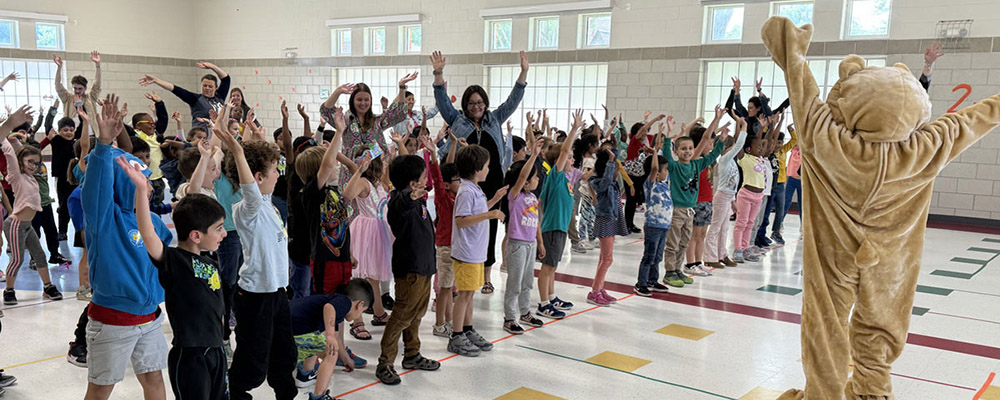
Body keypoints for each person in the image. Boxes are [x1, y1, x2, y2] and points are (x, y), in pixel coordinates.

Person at [82, 94, 172, 400]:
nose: (148, 185)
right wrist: (103, 145)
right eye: (139, 179)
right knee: (101, 389)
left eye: (146, 178)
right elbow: (96, 187)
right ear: (125, 184)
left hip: (150, 318)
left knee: (155, 381)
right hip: (112, 322)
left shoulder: (155, 225)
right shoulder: (105, 220)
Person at [213, 106, 296, 400]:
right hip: (255, 296)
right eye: (275, 171)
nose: (279, 174)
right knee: (253, 359)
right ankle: (235, 393)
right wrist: (236, 149)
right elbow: (249, 186)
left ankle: (286, 394)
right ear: (259, 177)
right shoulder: (248, 208)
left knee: (284, 353)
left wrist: (258, 140)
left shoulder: (268, 201)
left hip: (277, 293)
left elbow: (258, 173)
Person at [124, 166, 229, 400]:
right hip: (191, 356)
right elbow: (148, 232)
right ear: (196, 235)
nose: (224, 234)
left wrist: (204, 159)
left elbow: (194, 195)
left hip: (216, 351)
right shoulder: (174, 261)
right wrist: (142, 190)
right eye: (219, 229)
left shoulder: (209, 261)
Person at [431, 50, 528, 295]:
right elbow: (442, 101)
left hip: (492, 180)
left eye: (480, 102)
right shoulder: (457, 119)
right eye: (472, 102)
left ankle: (486, 275)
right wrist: (439, 74)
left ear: (485, 103)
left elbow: (512, 101)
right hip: (466, 183)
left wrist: (523, 74)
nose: (477, 106)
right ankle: (457, 273)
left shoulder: (494, 119)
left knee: (490, 225)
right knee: (465, 225)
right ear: (466, 104)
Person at [376, 149, 441, 384]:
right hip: (410, 269)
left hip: (424, 266)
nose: (426, 181)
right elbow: (400, 202)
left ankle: (412, 354)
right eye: (423, 178)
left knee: (416, 314)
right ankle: (385, 362)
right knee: (402, 315)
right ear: (413, 184)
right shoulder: (399, 202)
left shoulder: (418, 200)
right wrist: (410, 197)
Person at [447, 144, 506, 357]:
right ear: (476, 168)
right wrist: (489, 215)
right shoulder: (465, 191)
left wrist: (494, 201)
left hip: (475, 252)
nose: (489, 170)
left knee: (470, 294)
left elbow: (478, 211)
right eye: (487, 166)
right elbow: (462, 221)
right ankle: (456, 335)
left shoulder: (474, 189)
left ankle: (468, 329)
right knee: (464, 295)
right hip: (466, 252)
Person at [1, 106, 64, 305]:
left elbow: (23, 152)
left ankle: (48, 286)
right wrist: (10, 127)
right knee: (18, 259)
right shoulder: (16, 175)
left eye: (37, 163)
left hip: (27, 225)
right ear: (21, 162)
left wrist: (16, 139)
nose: (34, 166)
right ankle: (9, 290)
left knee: (39, 256)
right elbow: (12, 154)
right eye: (30, 162)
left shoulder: (31, 176)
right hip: (16, 224)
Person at [661, 108, 727, 288]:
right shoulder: (674, 167)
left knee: (683, 242)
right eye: (683, 149)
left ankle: (678, 269)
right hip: (677, 210)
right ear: (676, 151)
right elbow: (666, 153)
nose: (688, 151)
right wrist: (668, 135)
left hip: (690, 210)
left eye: (690, 148)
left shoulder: (697, 165)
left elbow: (713, 154)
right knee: (673, 243)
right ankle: (669, 272)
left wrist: (721, 140)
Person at [319, 72, 416, 187]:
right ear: (352, 101)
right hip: (350, 173)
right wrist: (338, 91)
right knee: (351, 201)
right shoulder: (345, 120)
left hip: (374, 172)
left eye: (366, 100)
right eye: (359, 100)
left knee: (371, 203)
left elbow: (396, 112)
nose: (363, 103)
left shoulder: (376, 121)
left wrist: (402, 87)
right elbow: (326, 110)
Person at [534, 110, 584, 319]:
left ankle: (552, 296)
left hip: (561, 229)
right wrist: (573, 130)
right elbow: (563, 152)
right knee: (547, 267)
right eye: (570, 157)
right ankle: (543, 303)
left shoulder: (565, 179)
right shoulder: (554, 176)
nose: (572, 159)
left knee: (553, 266)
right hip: (552, 229)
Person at [290, 280, 372, 400]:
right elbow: (329, 307)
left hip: (288, 328)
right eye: (362, 311)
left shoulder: (337, 309)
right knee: (331, 352)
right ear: (360, 304)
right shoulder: (344, 302)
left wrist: (346, 359)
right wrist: (329, 335)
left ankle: (305, 374)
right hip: (296, 330)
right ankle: (319, 396)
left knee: (321, 343)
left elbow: (337, 338)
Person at [343, 146, 393, 328]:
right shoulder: (363, 182)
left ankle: (379, 313)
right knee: (362, 275)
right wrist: (358, 170)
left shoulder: (378, 183)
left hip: (379, 230)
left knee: (374, 277)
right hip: (367, 231)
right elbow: (347, 196)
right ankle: (357, 320)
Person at [501, 140, 545, 334]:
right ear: (525, 180)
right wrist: (533, 156)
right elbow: (521, 178)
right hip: (517, 245)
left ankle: (525, 312)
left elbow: (536, 223)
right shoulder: (515, 195)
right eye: (534, 177)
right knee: (515, 282)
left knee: (527, 281)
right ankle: (510, 318)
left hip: (530, 244)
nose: (537, 180)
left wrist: (540, 243)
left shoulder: (533, 198)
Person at [634, 126, 675, 296]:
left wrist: (667, 140)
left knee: (658, 256)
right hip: (653, 225)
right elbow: (654, 169)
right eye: (664, 170)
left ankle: (653, 280)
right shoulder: (651, 185)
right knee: (649, 256)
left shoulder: (665, 184)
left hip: (664, 226)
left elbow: (667, 162)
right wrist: (655, 152)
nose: (666, 172)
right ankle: (641, 283)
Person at [587, 140, 628, 306]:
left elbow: (613, 158)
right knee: (607, 259)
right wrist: (610, 163)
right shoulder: (598, 182)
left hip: (611, 218)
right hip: (605, 220)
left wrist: (611, 156)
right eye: (612, 169)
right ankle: (595, 292)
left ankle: (599, 287)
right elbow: (604, 183)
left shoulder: (612, 182)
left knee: (603, 258)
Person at [427, 131, 459, 337]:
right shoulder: (444, 197)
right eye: (457, 179)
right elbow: (439, 180)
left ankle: (448, 321)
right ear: (447, 184)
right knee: (444, 291)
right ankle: (439, 324)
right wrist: (433, 157)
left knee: (449, 291)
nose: (461, 182)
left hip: (455, 248)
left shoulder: (458, 197)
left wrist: (455, 144)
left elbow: (450, 168)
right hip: (445, 248)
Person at [704, 117, 747, 269]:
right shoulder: (724, 160)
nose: (733, 150)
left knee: (724, 228)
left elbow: (733, 182)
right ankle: (709, 256)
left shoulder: (732, 162)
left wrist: (734, 200)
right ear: (726, 149)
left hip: (728, 197)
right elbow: (739, 145)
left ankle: (722, 254)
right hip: (721, 196)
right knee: (716, 227)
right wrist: (744, 127)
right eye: (731, 148)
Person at [138, 62, 230, 129]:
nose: (207, 88)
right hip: (201, 135)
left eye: (210, 86)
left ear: (215, 87)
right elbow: (175, 89)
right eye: (204, 85)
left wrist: (211, 66)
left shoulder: (219, 97)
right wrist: (156, 80)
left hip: (218, 134)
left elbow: (226, 79)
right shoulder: (196, 99)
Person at [131, 92, 171, 204]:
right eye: (149, 123)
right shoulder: (136, 136)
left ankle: (156, 217)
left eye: (153, 123)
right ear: (138, 125)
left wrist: (160, 104)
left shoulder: (156, 135)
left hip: (157, 177)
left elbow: (163, 119)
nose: (153, 125)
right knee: (145, 203)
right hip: (144, 177)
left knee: (158, 202)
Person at [53, 51, 102, 120]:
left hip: (89, 129)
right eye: (75, 88)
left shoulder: (91, 97)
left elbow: (97, 84)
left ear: (85, 88)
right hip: (72, 130)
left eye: (80, 88)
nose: (77, 91)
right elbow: (58, 85)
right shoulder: (68, 98)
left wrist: (98, 65)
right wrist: (59, 67)